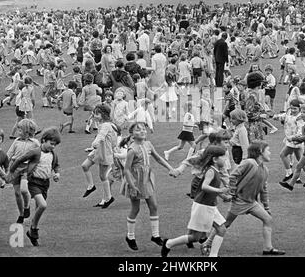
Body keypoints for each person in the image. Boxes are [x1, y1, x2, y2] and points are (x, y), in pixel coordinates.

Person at [201, 142, 285, 256]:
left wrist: (266, 207)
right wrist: (232, 192)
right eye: (268, 150)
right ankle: (207, 243)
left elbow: (263, 189)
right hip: (240, 201)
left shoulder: (265, 169)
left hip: (252, 203)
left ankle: (268, 248)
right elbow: (233, 175)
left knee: (268, 219)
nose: (270, 153)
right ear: (260, 151)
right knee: (226, 224)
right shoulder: (249, 163)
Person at [161, 146, 229, 257]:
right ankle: (168, 243)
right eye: (223, 157)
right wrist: (220, 190)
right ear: (215, 159)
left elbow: (211, 189)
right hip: (203, 206)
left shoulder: (215, 170)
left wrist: (224, 196)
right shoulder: (211, 171)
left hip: (210, 205)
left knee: (221, 229)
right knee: (195, 237)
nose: (226, 160)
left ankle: (213, 255)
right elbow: (205, 187)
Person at [122, 122, 175, 251]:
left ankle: (155, 235)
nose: (142, 131)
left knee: (154, 206)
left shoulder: (148, 144)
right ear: (132, 134)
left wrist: (171, 168)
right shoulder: (132, 149)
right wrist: (132, 185)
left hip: (146, 179)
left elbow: (158, 158)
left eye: (143, 129)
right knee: (135, 208)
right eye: (138, 130)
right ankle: (130, 236)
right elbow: (127, 170)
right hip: (135, 180)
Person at [8, 127, 62, 246]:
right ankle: (33, 228)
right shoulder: (36, 152)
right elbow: (19, 159)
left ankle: (32, 231)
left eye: (55, 145)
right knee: (43, 205)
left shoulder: (53, 153)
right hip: (34, 183)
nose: (53, 146)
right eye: (51, 144)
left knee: (39, 208)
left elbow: (56, 165)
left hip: (45, 184)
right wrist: (11, 171)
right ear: (43, 140)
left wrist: (56, 174)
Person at [81, 104, 118, 208]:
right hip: (97, 151)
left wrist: (95, 143)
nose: (94, 115)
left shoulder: (106, 125)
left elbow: (101, 137)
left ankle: (108, 198)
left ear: (104, 115)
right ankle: (91, 186)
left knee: (103, 177)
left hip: (104, 153)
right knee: (84, 166)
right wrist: (92, 147)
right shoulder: (102, 124)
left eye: (97, 114)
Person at [7, 119, 40, 223]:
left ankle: (27, 206)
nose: (18, 132)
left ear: (26, 131)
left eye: (20, 130)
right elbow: (9, 154)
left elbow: (39, 155)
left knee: (24, 190)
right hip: (15, 167)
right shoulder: (16, 141)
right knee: (17, 193)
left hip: (27, 168)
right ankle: (21, 214)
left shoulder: (35, 143)